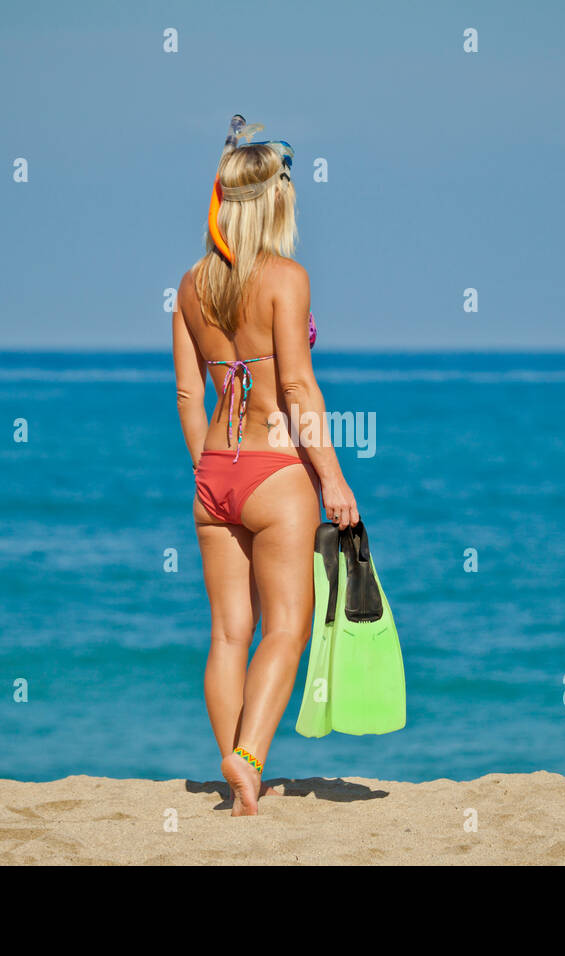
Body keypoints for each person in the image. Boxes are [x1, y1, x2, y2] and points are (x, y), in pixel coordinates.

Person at [171, 116, 359, 816]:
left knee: (227, 632)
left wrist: (210, 472)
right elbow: (300, 388)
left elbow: (191, 394)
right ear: (274, 202)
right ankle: (249, 757)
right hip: (278, 474)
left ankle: (234, 778)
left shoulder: (190, 287)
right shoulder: (286, 278)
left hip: (213, 474)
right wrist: (334, 481)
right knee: (286, 627)